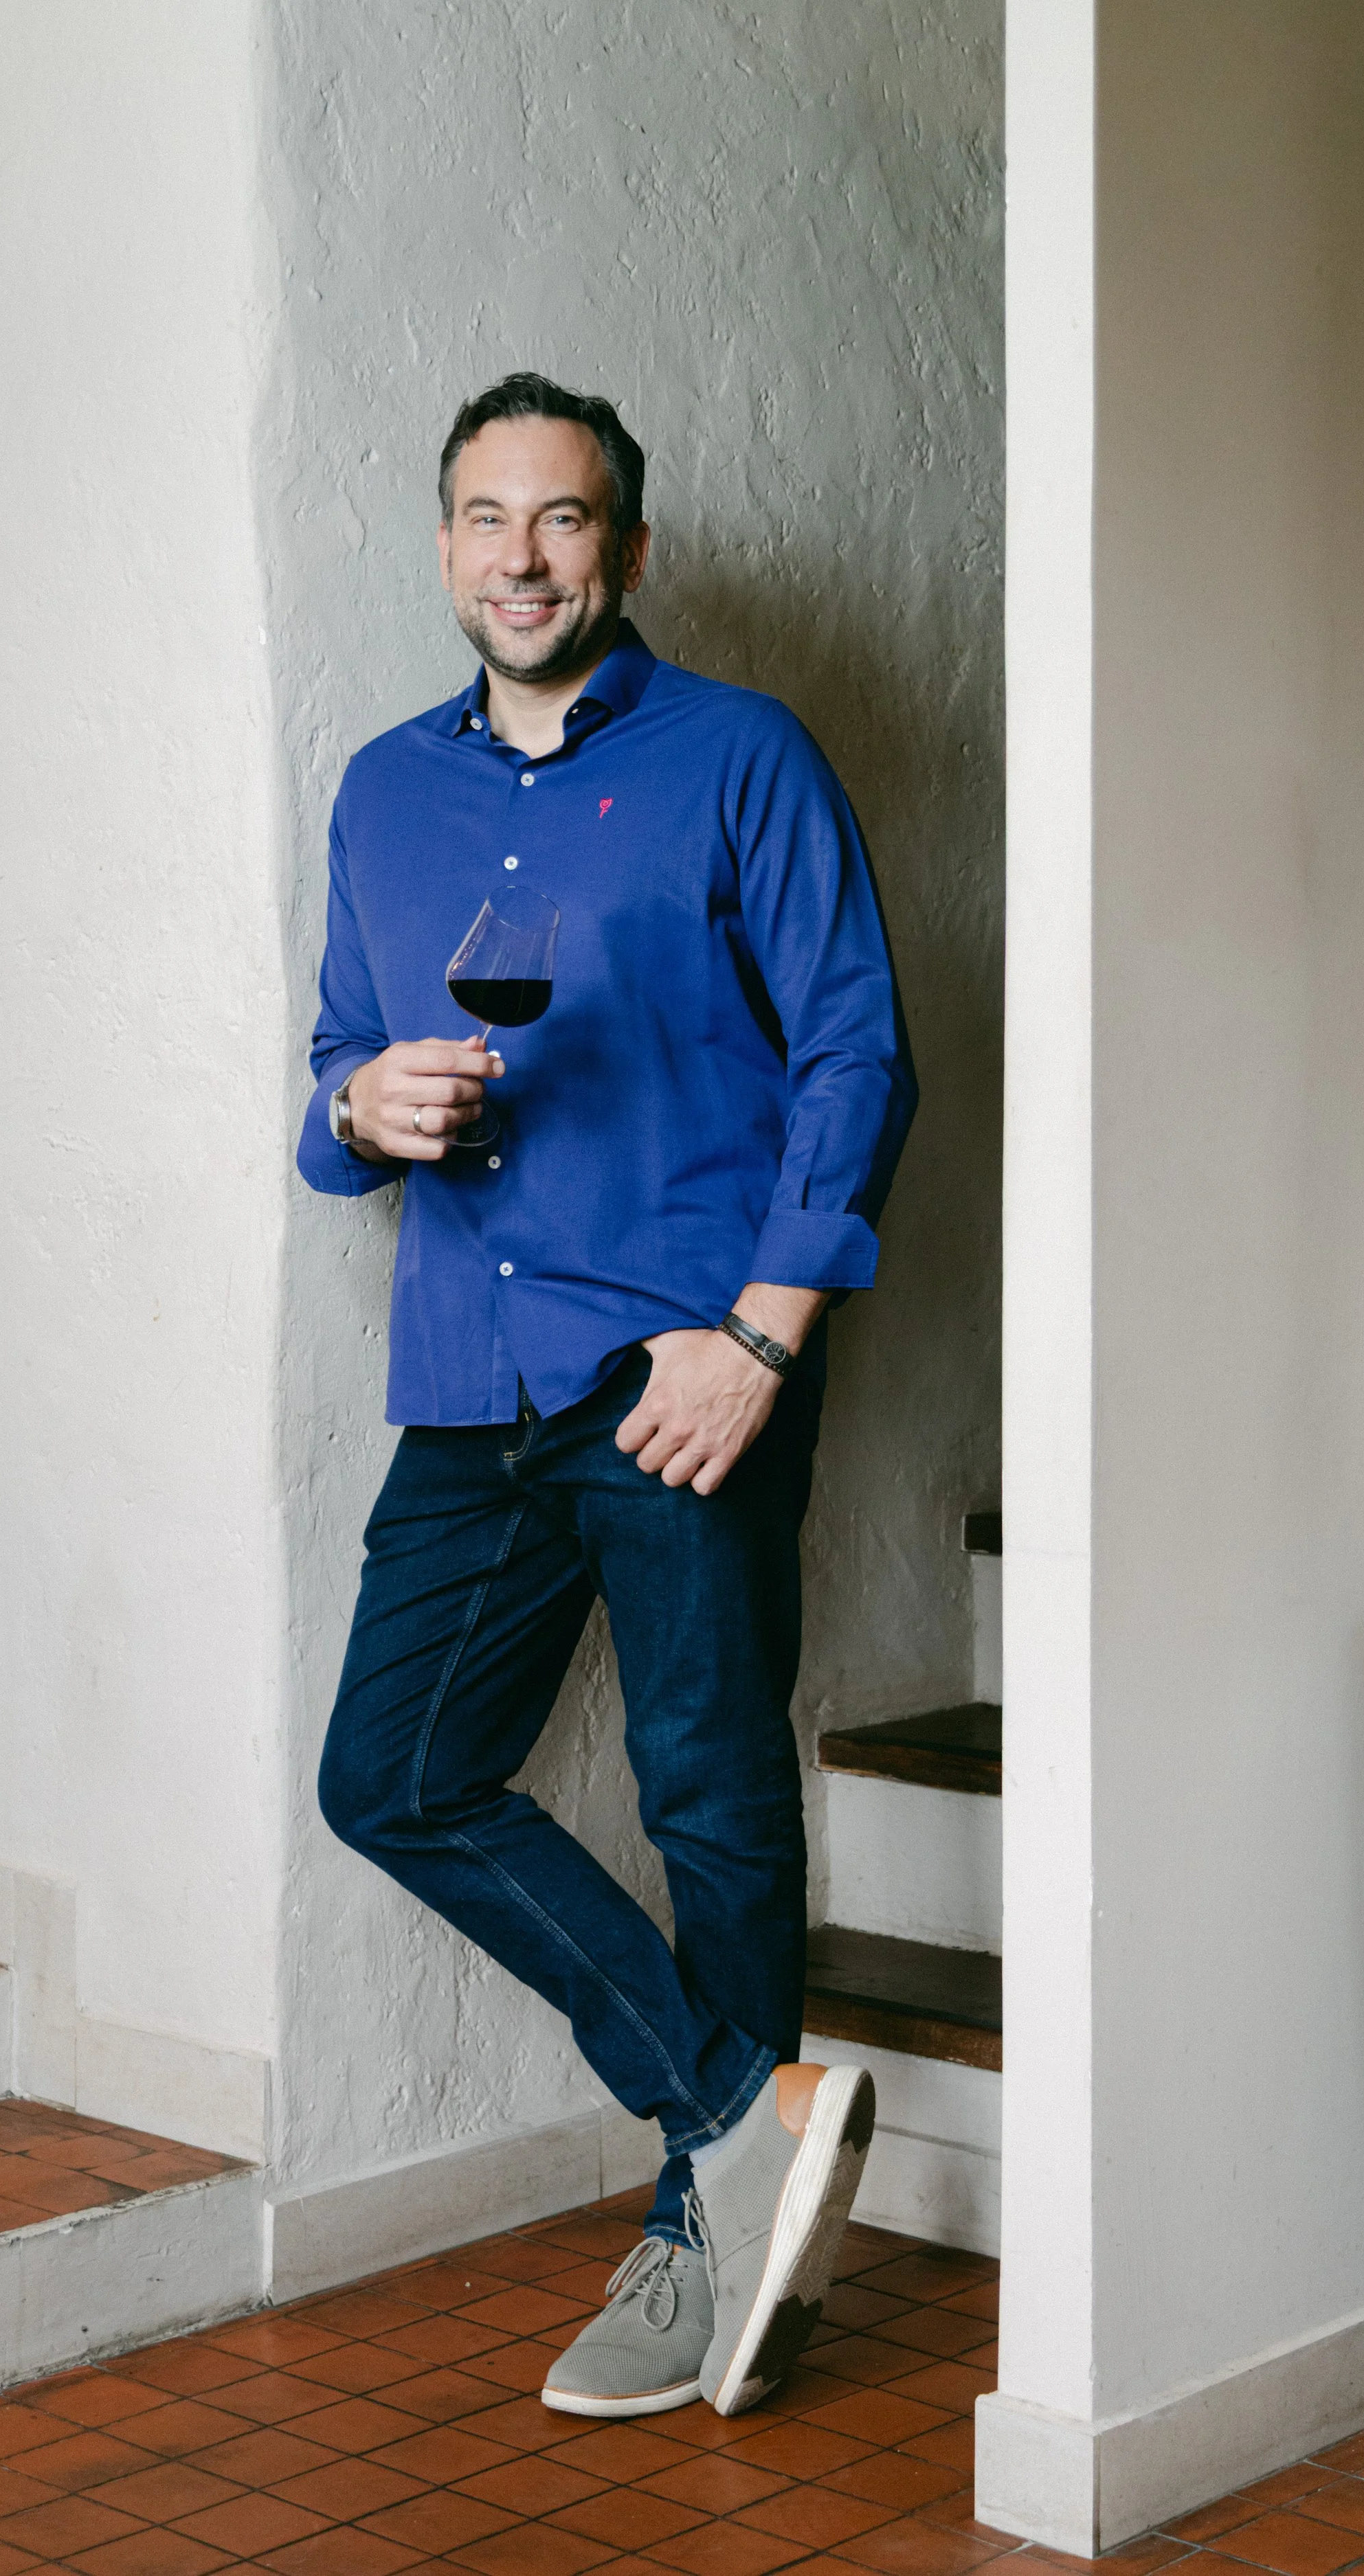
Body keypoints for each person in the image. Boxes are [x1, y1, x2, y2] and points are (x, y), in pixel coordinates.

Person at [299, 371, 917, 2420]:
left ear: (624, 549)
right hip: (469, 1375)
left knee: (711, 1804)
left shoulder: (742, 756)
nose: (522, 554)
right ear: (445, 541)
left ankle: (705, 2238)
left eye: (564, 520)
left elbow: (855, 1059)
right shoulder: (383, 790)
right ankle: (740, 2115)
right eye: (486, 515)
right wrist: (351, 1102)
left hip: (681, 1374)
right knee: (391, 1776)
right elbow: (334, 1076)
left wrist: (755, 1337)